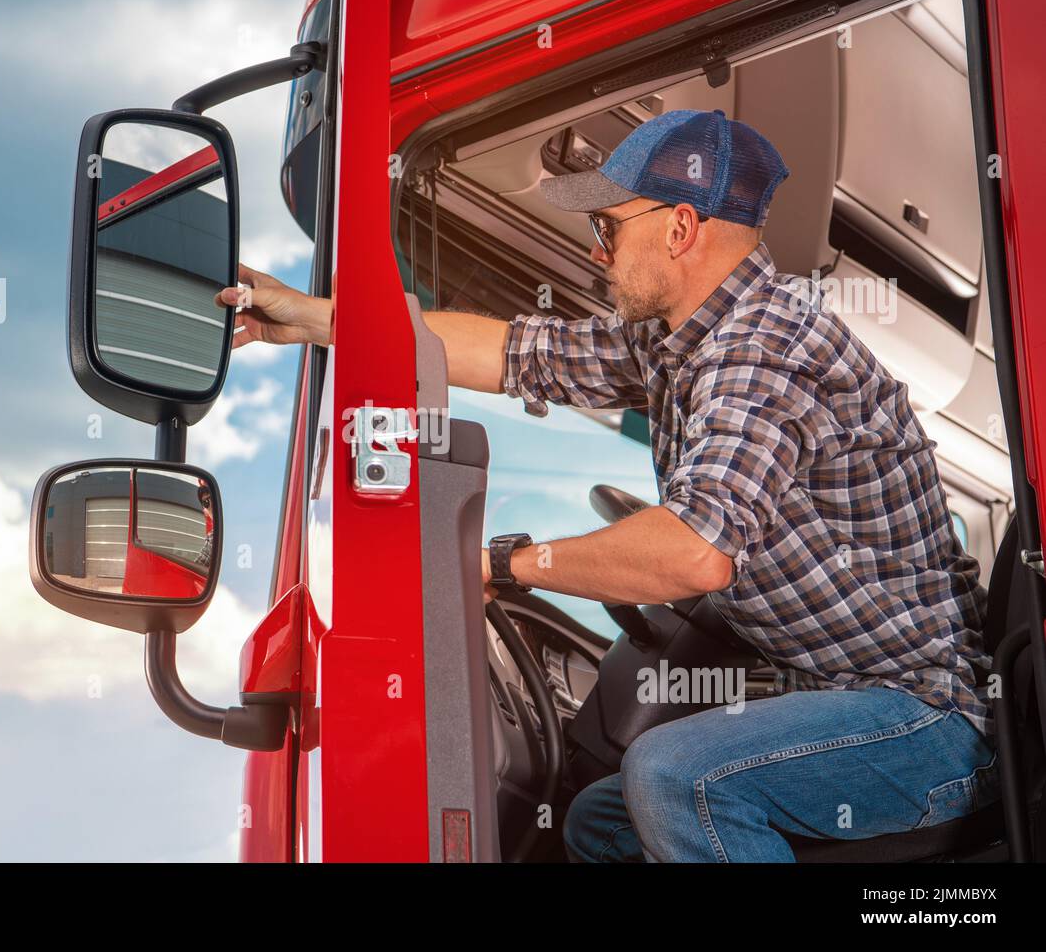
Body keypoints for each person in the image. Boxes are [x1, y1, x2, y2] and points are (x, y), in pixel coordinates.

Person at [214, 109, 998, 862]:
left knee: (673, 776)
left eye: (607, 228)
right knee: (600, 822)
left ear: (681, 228)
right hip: (852, 696)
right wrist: (315, 318)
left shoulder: (765, 350)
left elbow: (694, 555)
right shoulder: (681, 342)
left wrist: (505, 564)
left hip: (923, 722)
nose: (597, 253)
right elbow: (511, 353)